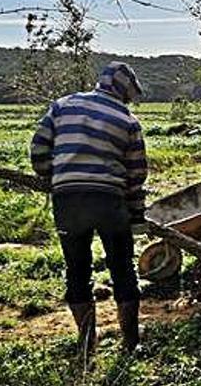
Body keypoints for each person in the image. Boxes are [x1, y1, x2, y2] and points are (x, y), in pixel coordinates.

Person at [30, 62, 147, 354]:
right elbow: (136, 174)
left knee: (77, 270)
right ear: (124, 91)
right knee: (122, 269)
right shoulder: (127, 120)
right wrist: (135, 216)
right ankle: (131, 342)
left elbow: (38, 151)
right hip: (110, 201)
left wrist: (54, 175)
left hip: (68, 201)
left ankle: (86, 343)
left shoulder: (62, 105)